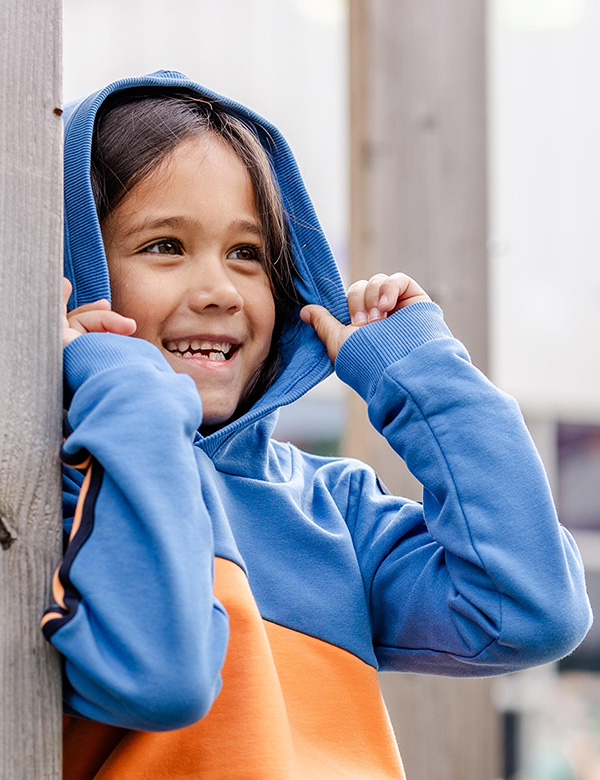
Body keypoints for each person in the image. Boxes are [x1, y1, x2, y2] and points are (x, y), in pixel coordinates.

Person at [42, 70, 591, 780]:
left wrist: (420, 374)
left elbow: (530, 610)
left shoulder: (334, 510)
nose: (219, 292)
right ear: (72, 270)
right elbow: (161, 679)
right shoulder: (55, 488)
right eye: (164, 246)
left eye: (247, 254)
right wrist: (125, 386)